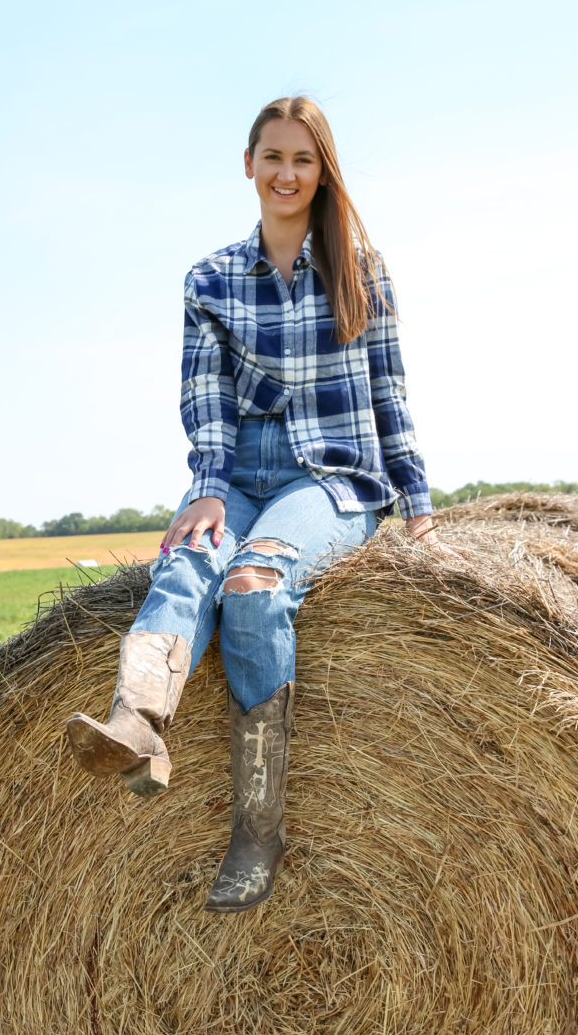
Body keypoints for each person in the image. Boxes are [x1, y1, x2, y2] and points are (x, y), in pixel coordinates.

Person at [67, 96, 437, 913]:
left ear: (322, 171)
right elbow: (204, 399)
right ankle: (137, 724)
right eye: (273, 157)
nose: (287, 173)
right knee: (191, 558)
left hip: (331, 477)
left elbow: (390, 392)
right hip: (240, 470)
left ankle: (257, 827)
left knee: (254, 586)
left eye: (303, 160)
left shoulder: (362, 272)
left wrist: (416, 504)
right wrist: (205, 488)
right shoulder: (210, 279)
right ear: (248, 165)